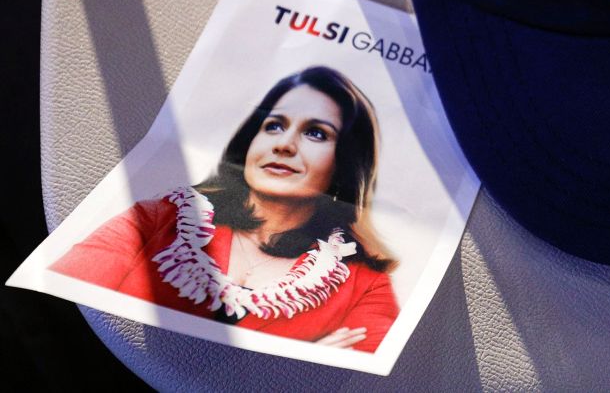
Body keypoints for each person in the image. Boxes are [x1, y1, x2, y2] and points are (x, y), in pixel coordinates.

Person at [51, 66, 400, 353]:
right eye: (274, 125)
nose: (283, 144)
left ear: (345, 165)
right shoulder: (160, 219)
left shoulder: (366, 285)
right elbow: (67, 295)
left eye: (316, 133)